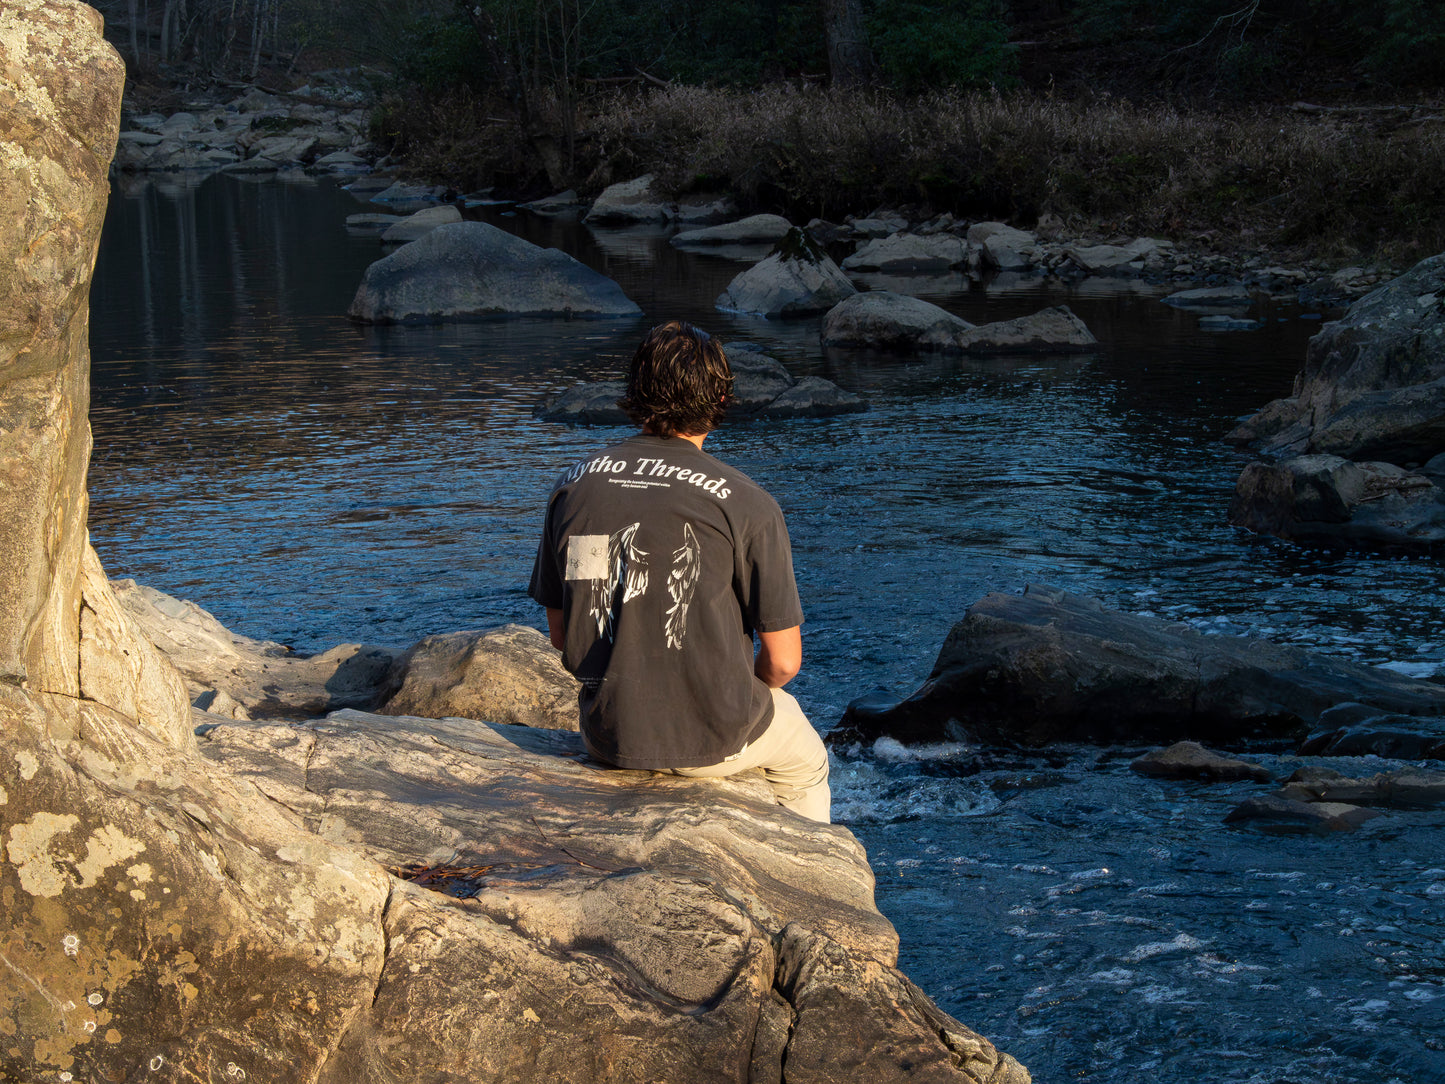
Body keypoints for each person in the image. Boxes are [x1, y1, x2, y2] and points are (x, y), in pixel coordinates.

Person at [527, 320, 831, 822]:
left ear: (635, 392)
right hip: (715, 736)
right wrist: (731, 697)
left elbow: (562, 636)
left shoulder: (573, 486)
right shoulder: (749, 503)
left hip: (609, 736)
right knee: (807, 764)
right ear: (720, 398)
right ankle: (815, 869)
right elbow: (783, 663)